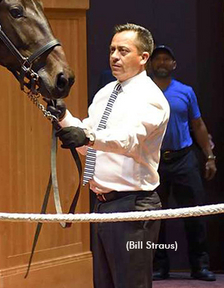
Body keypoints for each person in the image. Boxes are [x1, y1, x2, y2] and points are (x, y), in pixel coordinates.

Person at [48, 23, 170, 288]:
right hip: (103, 204)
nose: (114, 55)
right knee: (104, 284)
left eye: (124, 50)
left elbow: (129, 140)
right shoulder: (106, 93)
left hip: (133, 206)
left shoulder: (151, 97)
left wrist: (89, 137)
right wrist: (64, 117)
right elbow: (88, 146)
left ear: (143, 58)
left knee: (130, 284)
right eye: (112, 49)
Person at [147, 45, 217, 282]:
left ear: (174, 65)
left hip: (184, 159)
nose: (162, 63)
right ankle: (159, 266)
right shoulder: (142, 92)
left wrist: (209, 157)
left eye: (167, 59)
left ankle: (200, 266)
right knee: (156, 218)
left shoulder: (185, 92)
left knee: (195, 214)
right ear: (149, 64)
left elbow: (198, 125)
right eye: (158, 59)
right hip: (153, 162)